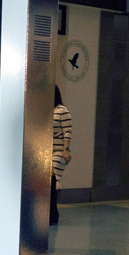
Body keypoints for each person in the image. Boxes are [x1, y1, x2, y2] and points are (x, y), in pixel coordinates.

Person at [51, 86, 73, 225]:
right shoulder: (48, 110)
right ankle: (51, 214)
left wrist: (66, 150)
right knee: (50, 184)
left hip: (58, 152)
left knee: (52, 180)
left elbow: (68, 131)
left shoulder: (62, 111)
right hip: (48, 151)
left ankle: (53, 214)